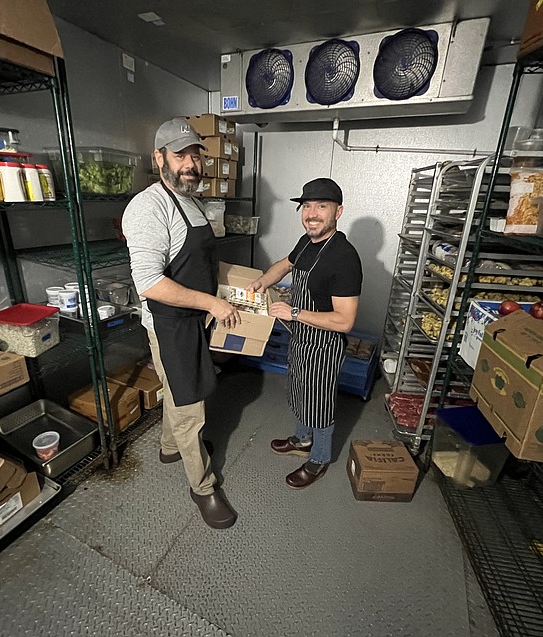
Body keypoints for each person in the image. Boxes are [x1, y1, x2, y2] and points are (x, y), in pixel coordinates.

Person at [121, 118, 241, 528]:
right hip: (171, 324)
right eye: (180, 155)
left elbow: (202, 262)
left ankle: (170, 446)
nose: (190, 163)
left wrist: (244, 285)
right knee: (190, 404)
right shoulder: (147, 208)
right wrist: (212, 301)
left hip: (195, 319)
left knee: (181, 389)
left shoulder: (191, 200)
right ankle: (202, 488)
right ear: (159, 158)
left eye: (195, 154)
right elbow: (151, 282)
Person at [247, 177, 362, 489]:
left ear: (338, 211)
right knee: (299, 390)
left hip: (324, 345)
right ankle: (301, 439)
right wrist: (263, 281)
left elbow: (345, 321)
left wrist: (294, 312)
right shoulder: (306, 242)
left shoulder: (344, 257)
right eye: (306, 206)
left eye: (321, 206)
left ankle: (319, 458)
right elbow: (284, 265)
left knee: (320, 401)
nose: (312, 213)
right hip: (301, 338)